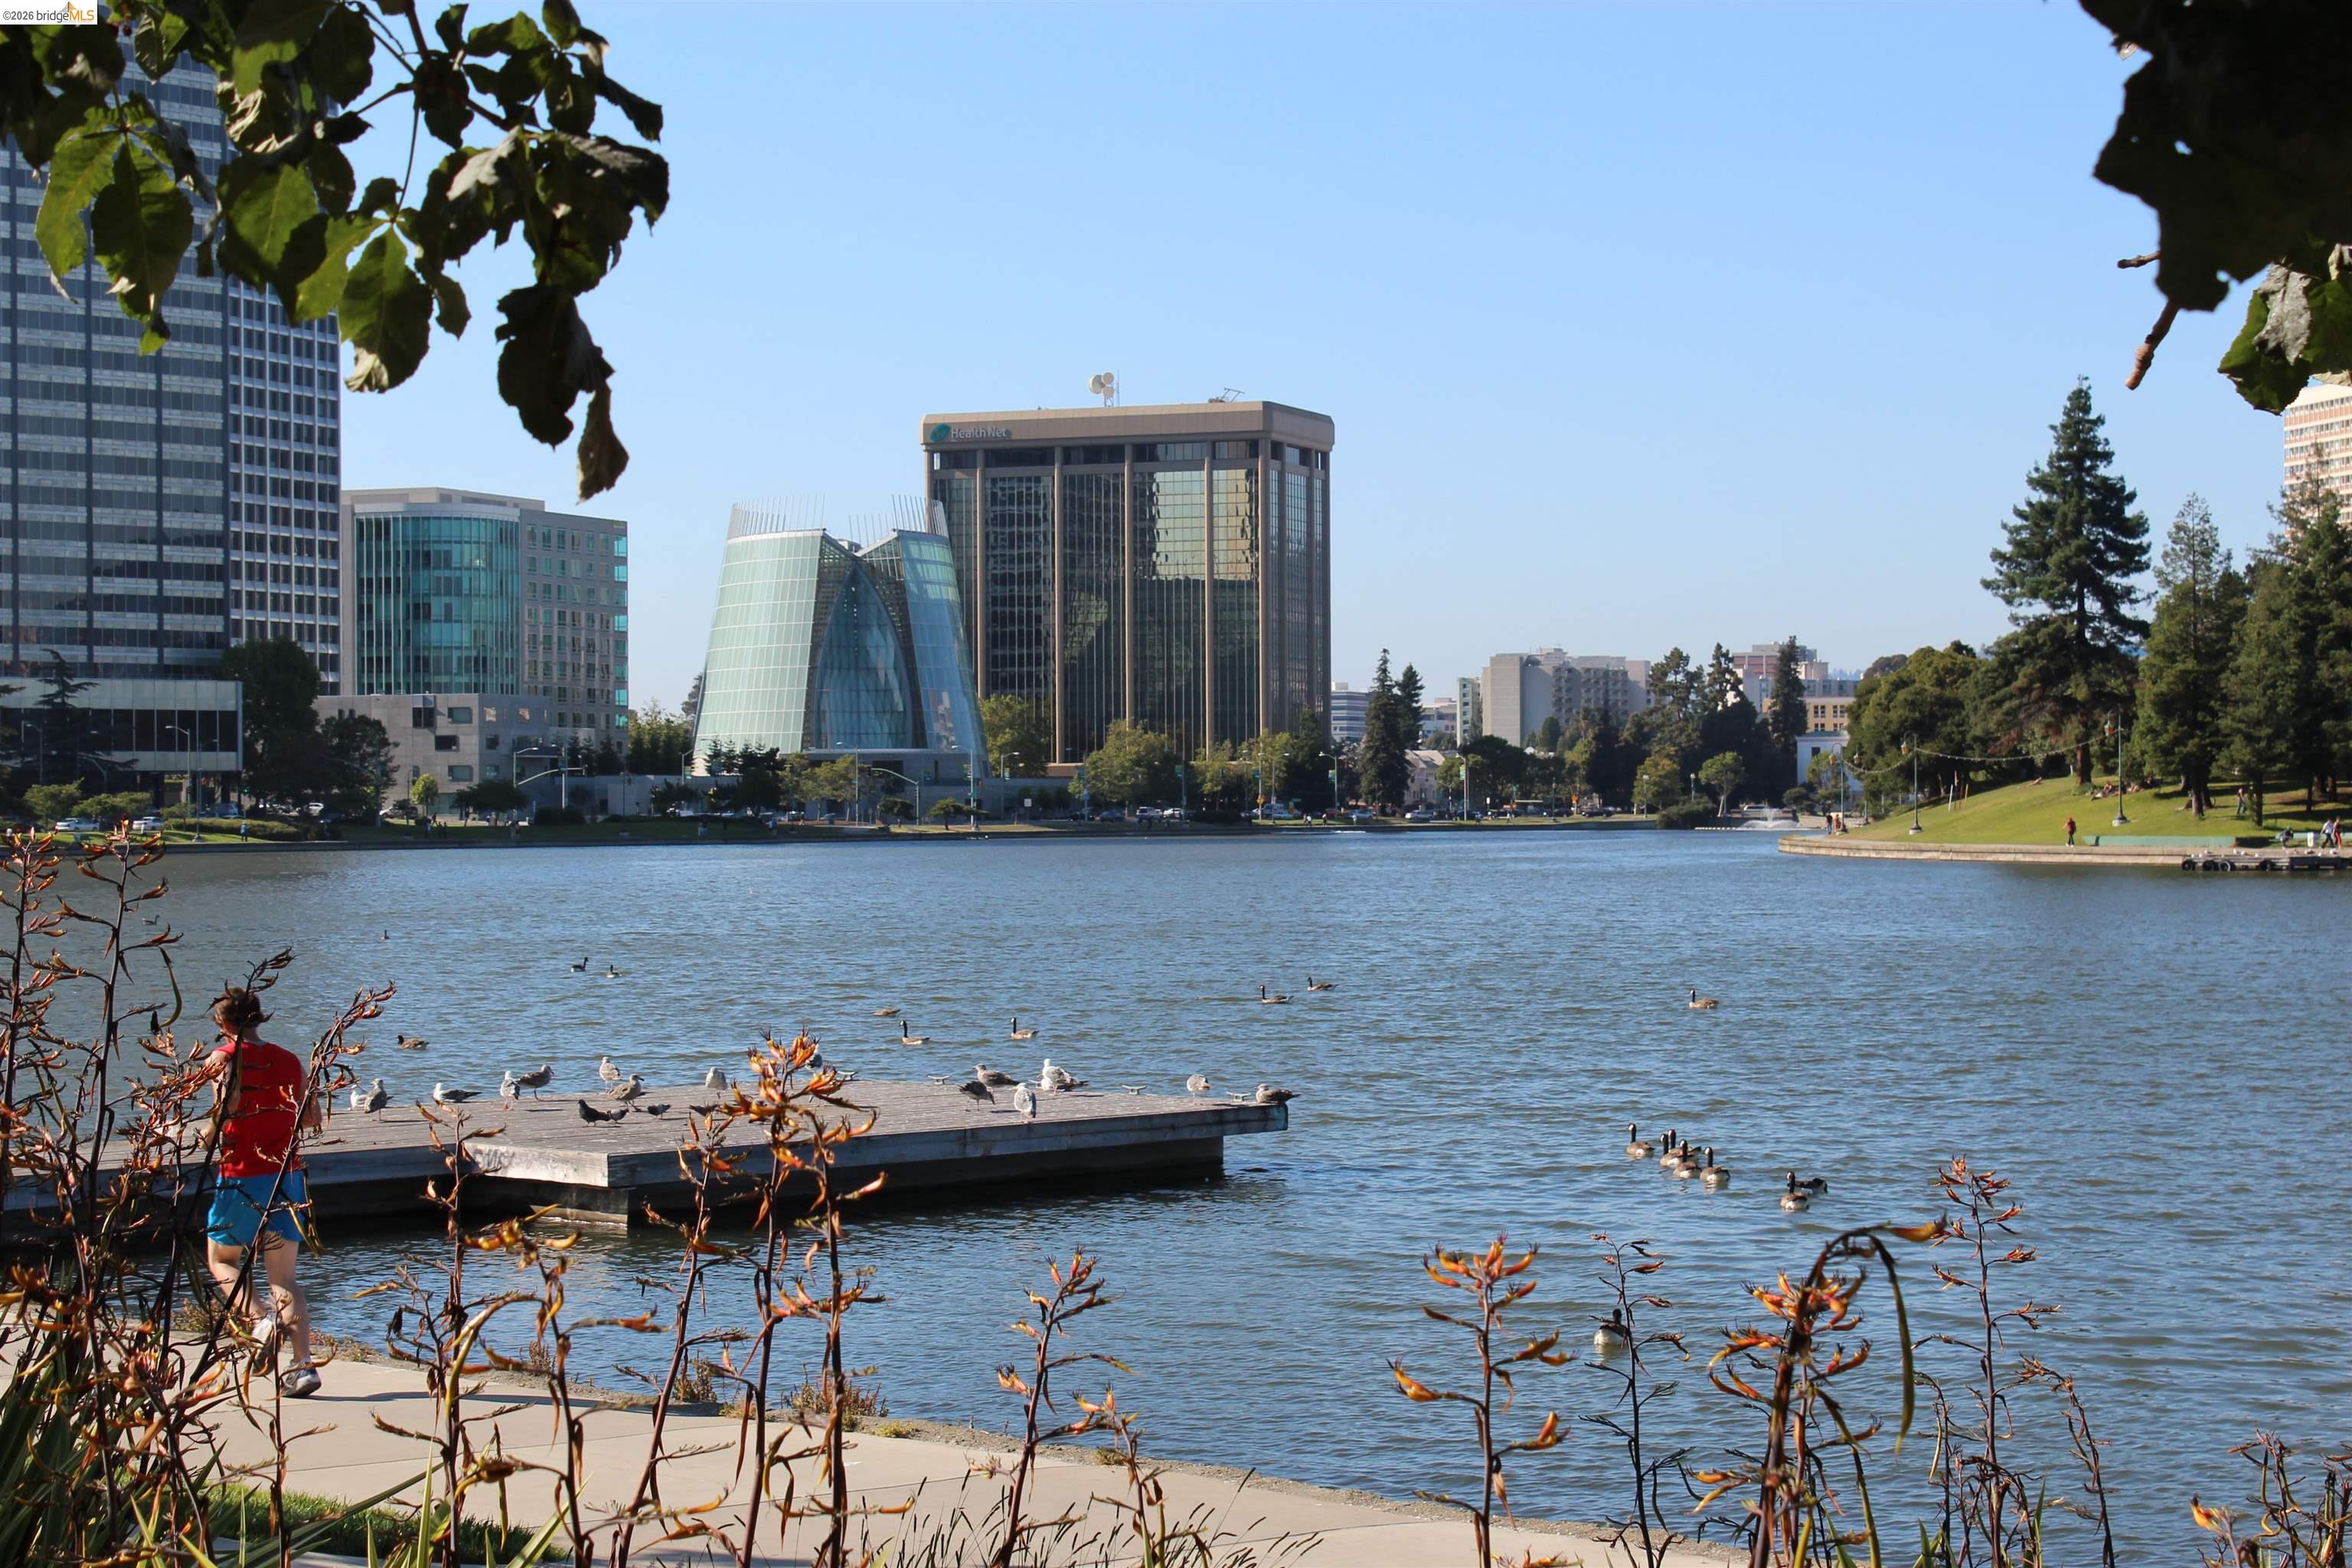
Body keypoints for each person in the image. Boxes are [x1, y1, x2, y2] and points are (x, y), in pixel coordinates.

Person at [198, 986, 324, 1396]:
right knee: (285, 1277)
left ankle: (261, 1321)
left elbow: (225, 1109)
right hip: (288, 1176)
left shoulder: (222, 1058)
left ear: (223, 1023)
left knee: (221, 1258)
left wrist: (206, 1135)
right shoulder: (289, 1060)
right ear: (258, 1018)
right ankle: (305, 1366)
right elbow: (311, 1119)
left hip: (242, 1173)